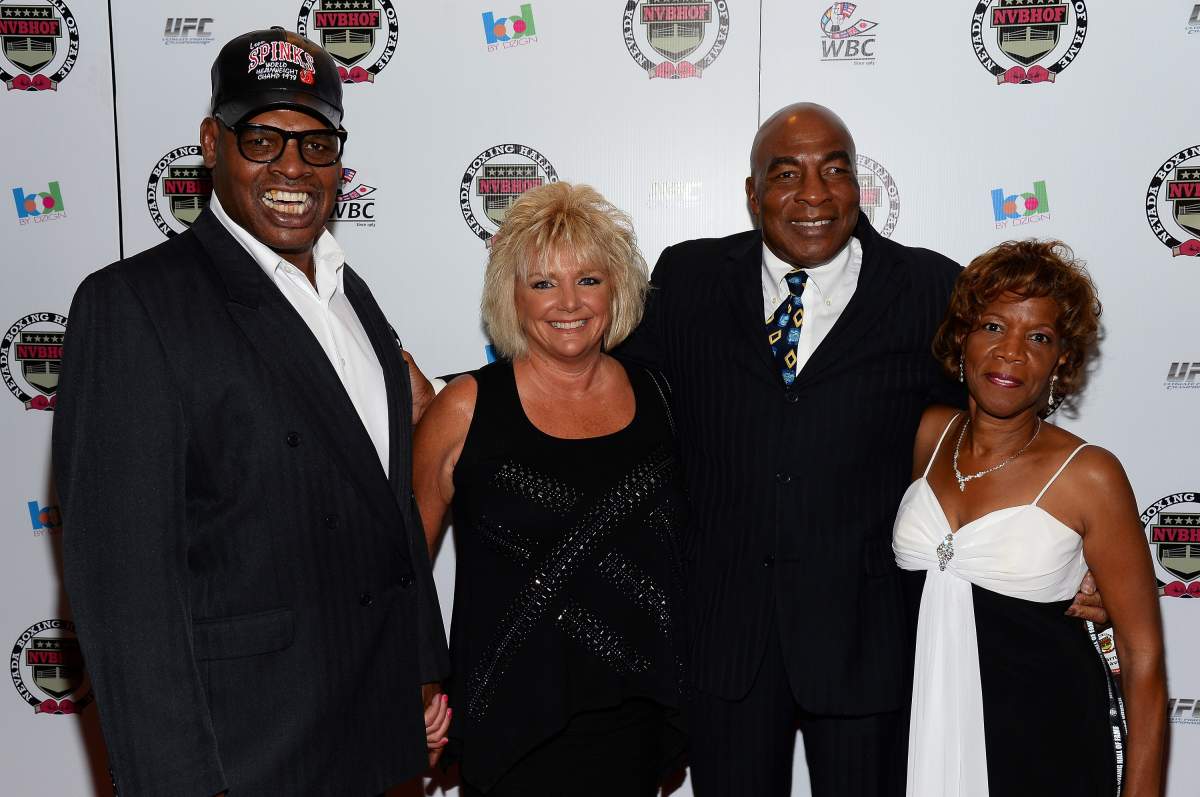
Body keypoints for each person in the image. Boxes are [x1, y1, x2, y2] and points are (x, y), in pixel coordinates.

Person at [616, 102, 1106, 796]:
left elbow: (1001, 423)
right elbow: (606, 400)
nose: (813, 194)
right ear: (753, 194)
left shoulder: (931, 289)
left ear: (858, 184)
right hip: (725, 641)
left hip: (868, 643)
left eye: (834, 170)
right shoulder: (688, 278)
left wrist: (1078, 544)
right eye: (786, 174)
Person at [53, 28, 449, 796]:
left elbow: (386, 509)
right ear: (212, 143)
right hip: (248, 755)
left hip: (372, 738)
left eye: (316, 144)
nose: (292, 167)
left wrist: (422, 669)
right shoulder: (135, 304)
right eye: (262, 139)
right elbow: (126, 590)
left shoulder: (351, 295)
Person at [413, 182, 687, 797]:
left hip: (635, 719)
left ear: (617, 289)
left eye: (588, 279)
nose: (569, 302)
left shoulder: (663, 398)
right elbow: (403, 568)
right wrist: (418, 685)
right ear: (511, 296)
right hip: (511, 720)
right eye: (542, 283)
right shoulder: (465, 407)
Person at [894, 240, 1165, 796]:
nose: (1012, 352)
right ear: (963, 337)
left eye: (1038, 337)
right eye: (993, 327)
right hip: (919, 735)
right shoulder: (928, 435)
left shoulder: (1090, 475)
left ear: (1061, 359)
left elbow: (1142, 656)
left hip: (1047, 749)